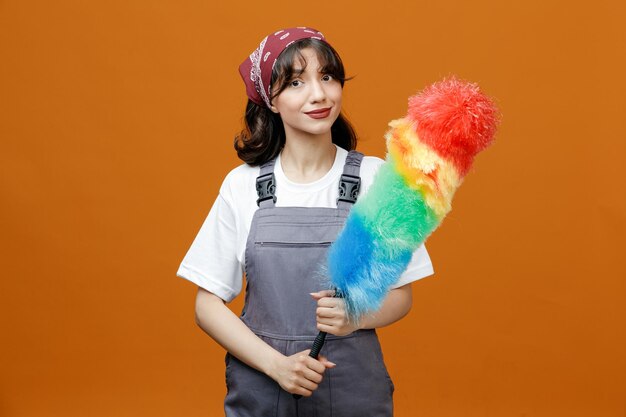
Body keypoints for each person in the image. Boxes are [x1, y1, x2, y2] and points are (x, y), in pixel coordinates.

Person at [177, 27, 434, 417]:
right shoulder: (243, 185)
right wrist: (277, 366)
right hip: (262, 392)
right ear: (271, 101)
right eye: (296, 82)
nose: (319, 94)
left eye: (327, 76)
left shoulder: (374, 179)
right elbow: (206, 305)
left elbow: (401, 295)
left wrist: (355, 317)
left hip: (353, 394)